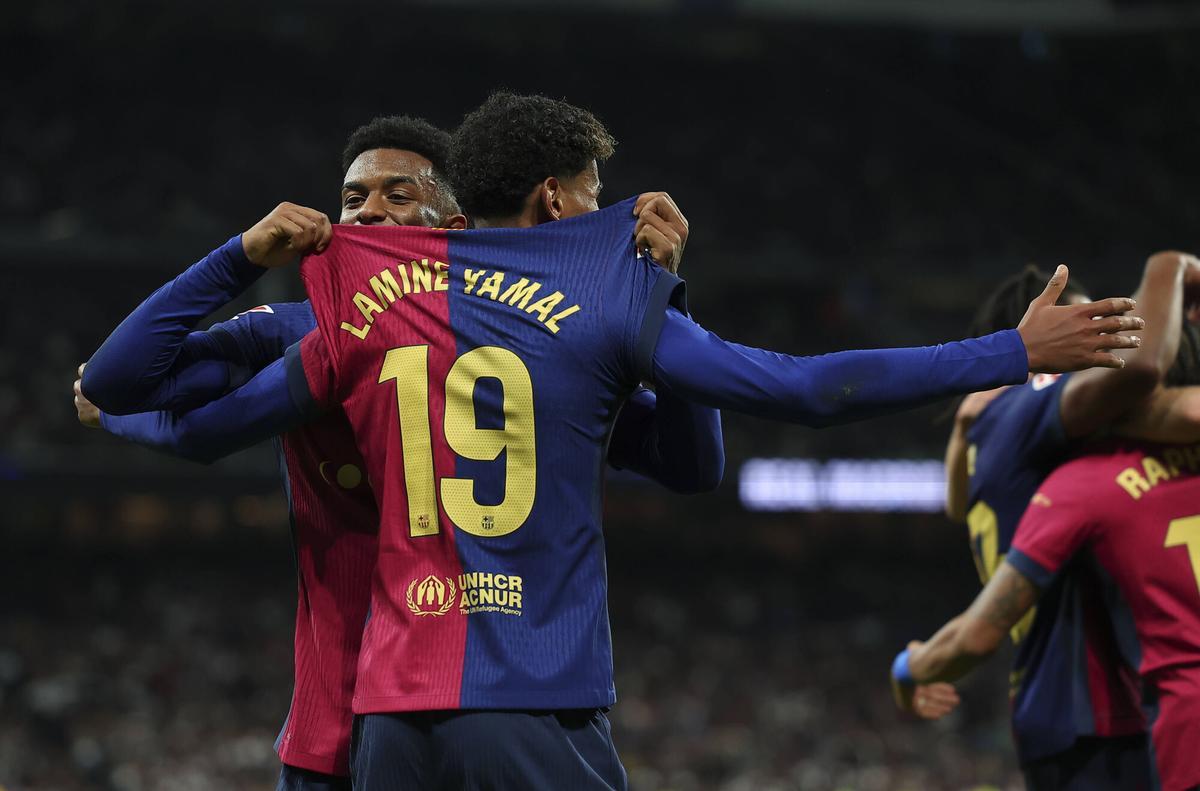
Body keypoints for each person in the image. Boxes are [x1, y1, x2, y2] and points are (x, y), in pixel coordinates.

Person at [271, 91, 1142, 788]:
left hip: (388, 722)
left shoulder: (375, 312)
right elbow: (803, 388)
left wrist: (237, 259)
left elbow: (691, 463)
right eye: (592, 195)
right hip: (533, 705)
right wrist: (1011, 351)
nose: (599, 210)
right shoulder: (601, 297)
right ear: (556, 198)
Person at [75, 114, 720, 791]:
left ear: (454, 227)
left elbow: (689, 464)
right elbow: (127, 382)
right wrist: (238, 255)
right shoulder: (303, 333)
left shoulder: (522, 359)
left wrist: (670, 302)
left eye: (399, 195)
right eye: (353, 199)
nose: (367, 212)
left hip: (468, 702)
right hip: (342, 734)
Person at [924, 255, 1199, 789]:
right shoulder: (1059, 444)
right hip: (1095, 712)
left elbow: (956, 505)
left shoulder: (988, 427)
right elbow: (1148, 379)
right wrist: (1168, 270)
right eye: (1082, 331)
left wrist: (912, 669)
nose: (1101, 346)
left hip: (1069, 710)